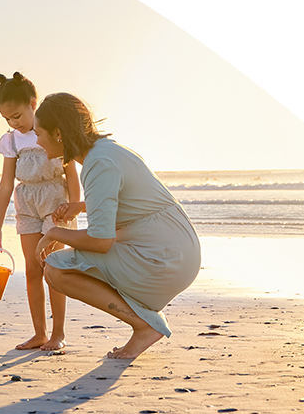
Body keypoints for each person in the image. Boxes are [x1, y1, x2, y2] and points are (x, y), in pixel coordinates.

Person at [34, 93, 201, 359]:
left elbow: (100, 242)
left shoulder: (99, 163)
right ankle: (144, 323)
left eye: (38, 133)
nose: (37, 141)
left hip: (162, 259)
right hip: (176, 254)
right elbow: (130, 201)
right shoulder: (106, 152)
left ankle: (144, 326)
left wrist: (54, 232)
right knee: (63, 265)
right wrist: (82, 206)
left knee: (55, 268)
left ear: (57, 133)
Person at [0, 73, 81, 351]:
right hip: (26, 203)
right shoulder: (11, 141)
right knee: (32, 269)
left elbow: (72, 176)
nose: (13, 123)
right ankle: (39, 333)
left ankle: (58, 334)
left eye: (17, 116)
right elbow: (5, 185)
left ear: (33, 104)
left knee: (54, 267)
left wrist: (73, 208)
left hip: (55, 202)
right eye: (7, 119)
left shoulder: (54, 131)